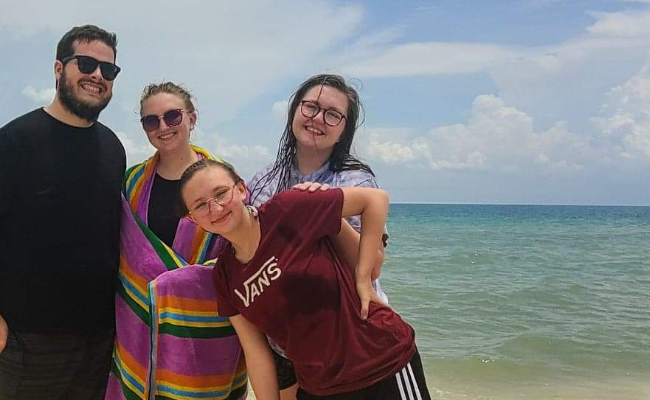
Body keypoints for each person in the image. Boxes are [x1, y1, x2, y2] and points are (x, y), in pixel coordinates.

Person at [0, 24, 125, 399]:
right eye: (86, 63)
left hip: (101, 336)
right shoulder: (11, 142)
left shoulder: (113, 148)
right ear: (58, 69)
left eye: (108, 70)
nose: (97, 75)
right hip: (29, 337)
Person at [179, 159, 430, 400]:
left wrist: (363, 278)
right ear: (193, 219)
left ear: (242, 189)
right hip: (319, 387)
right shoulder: (225, 276)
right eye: (201, 205)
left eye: (221, 193)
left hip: (380, 362)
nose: (216, 208)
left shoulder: (287, 209)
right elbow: (256, 352)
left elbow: (375, 200)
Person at [248, 74, 389, 399]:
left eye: (332, 114)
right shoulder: (263, 179)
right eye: (310, 107)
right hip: (284, 342)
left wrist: (325, 210)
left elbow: (372, 268)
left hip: (346, 339)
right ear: (294, 111)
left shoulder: (356, 179)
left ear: (344, 130)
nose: (317, 119)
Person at [106, 82, 247, 399]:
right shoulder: (131, 183)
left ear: (192, 119)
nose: (163, 127)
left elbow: (244, 251)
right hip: (138, 326)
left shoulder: (221, 181)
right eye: (151, 121)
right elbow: (120, 257)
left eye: (172, 116)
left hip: (207, 331)